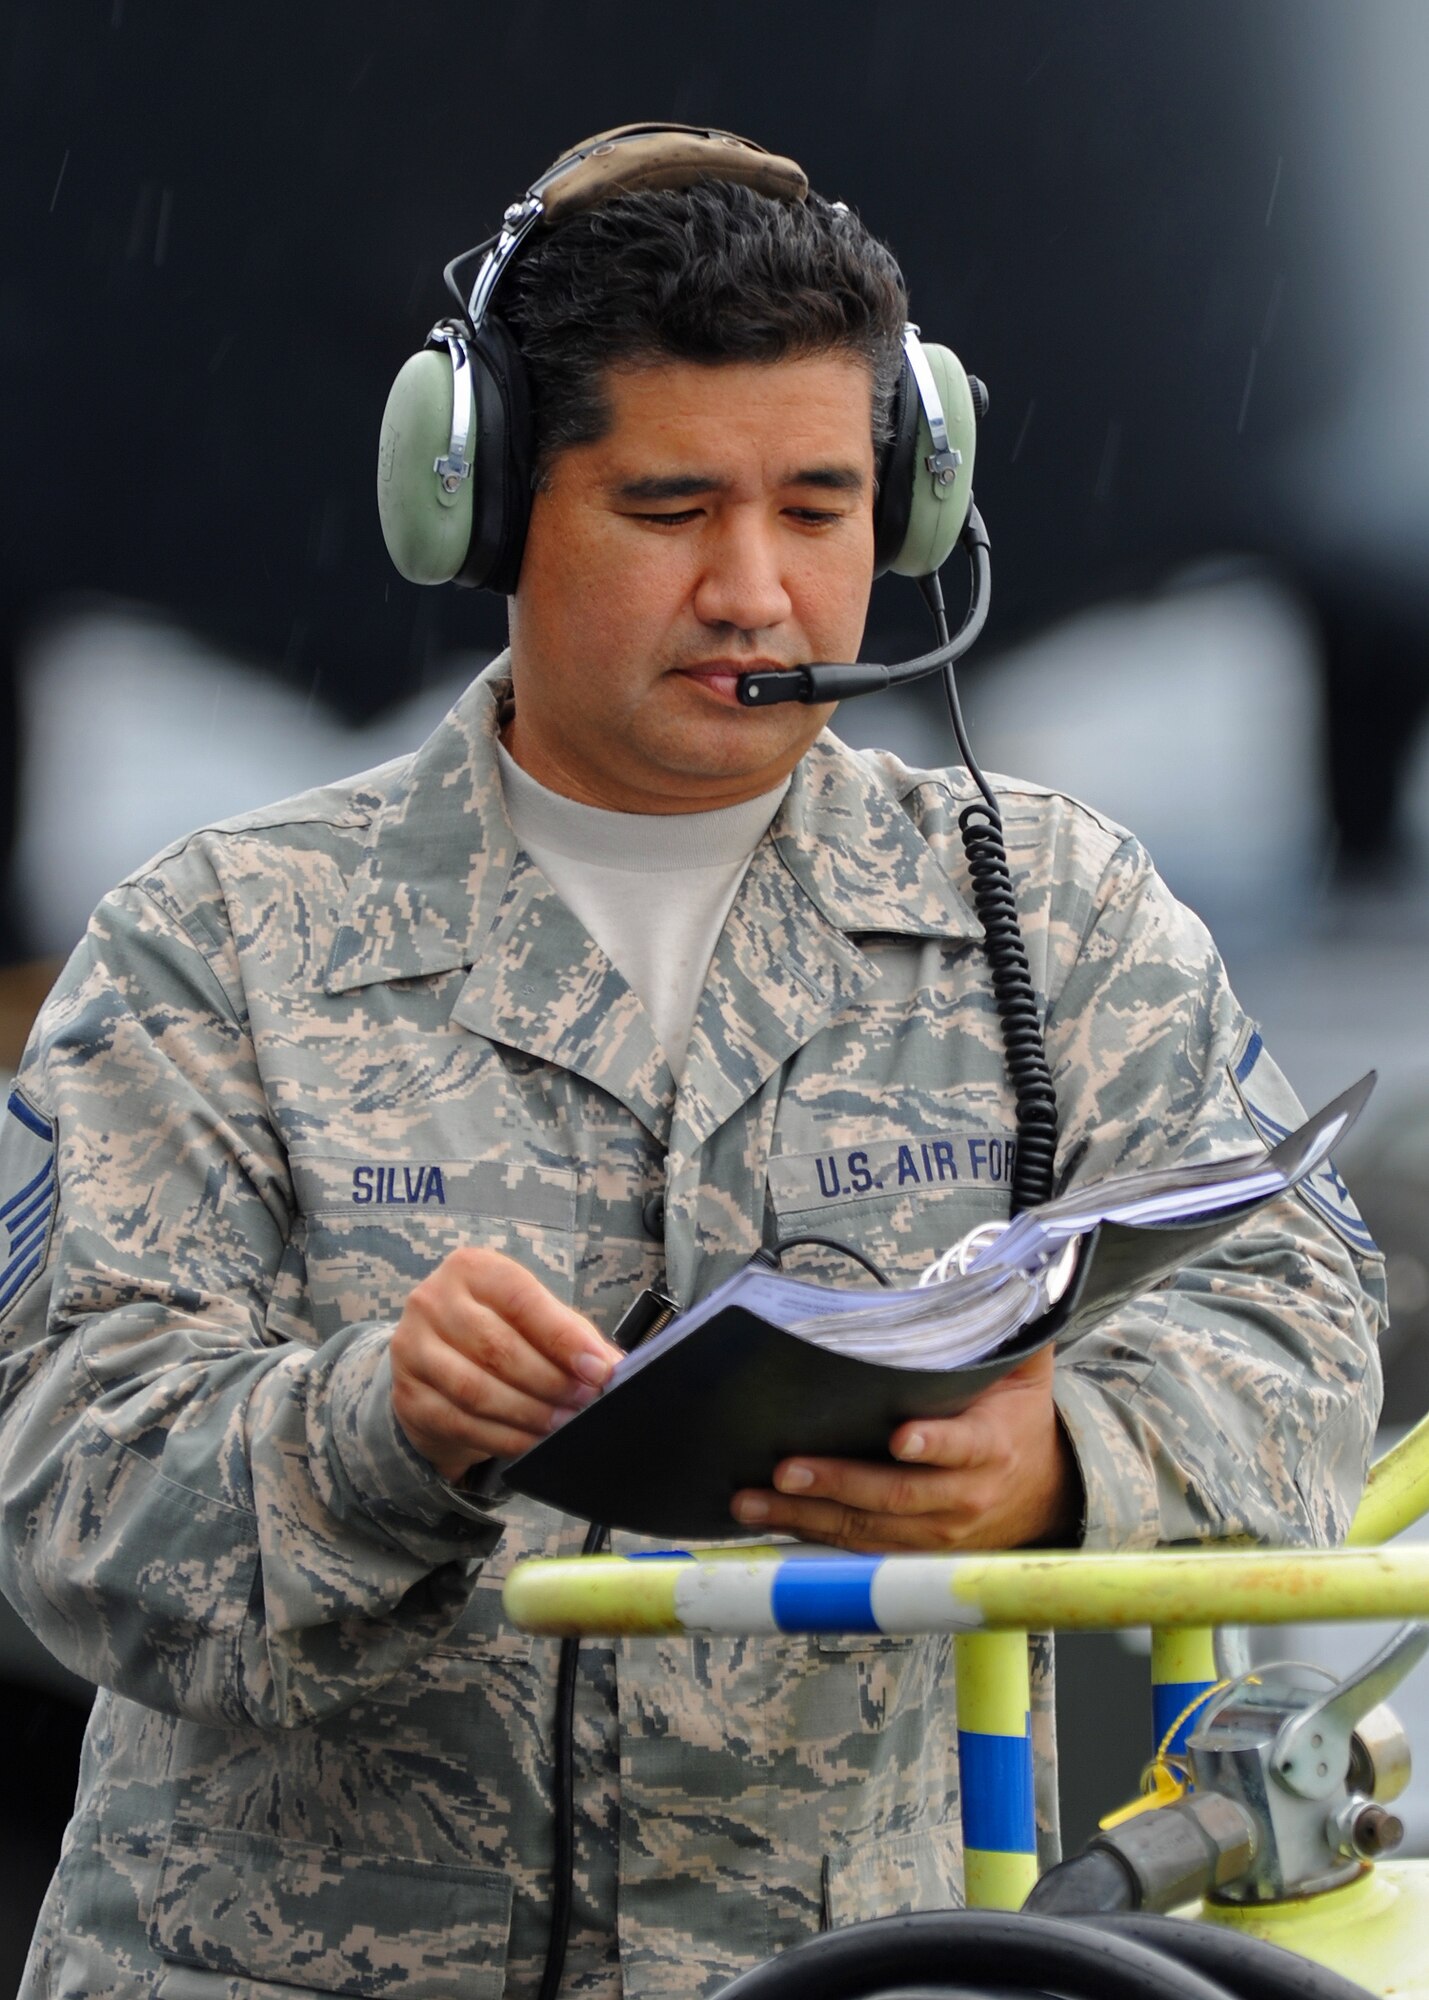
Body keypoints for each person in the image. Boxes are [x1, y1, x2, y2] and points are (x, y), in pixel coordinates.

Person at [0, 130, 1385, 2000]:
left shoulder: (1046, 911)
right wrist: (375, 1429)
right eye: (669, 513)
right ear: (488, 514)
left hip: (840, 1977)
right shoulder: (214, 945)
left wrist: (1065, 1455)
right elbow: (67, 1500)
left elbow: (1296, 1303)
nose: (755, 592)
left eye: (817, 509)